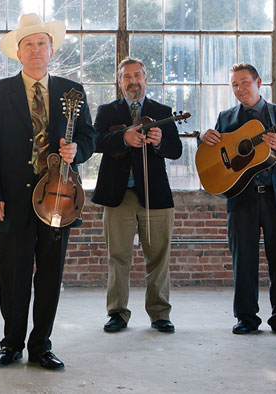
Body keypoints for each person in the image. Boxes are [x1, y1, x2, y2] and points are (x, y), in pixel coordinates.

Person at [0, 13, 95, 371]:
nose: (36, 49)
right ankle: (11, 343)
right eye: (28, 43)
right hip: (10, 199)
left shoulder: (72, 93)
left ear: (52, 49)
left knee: (50, 275)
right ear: (18, 51)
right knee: (13, 274)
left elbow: (88, 137)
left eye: (42, 42)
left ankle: (41, 344)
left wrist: (79, 152)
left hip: (58, 198)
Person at [201, 63, 276, 336]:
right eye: (234, 84)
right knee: (243, 262)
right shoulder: (225, 118)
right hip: (242, 200)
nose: (240, 89)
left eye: (245, 82)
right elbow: (217, 155)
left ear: (259, 82)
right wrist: (205, 138)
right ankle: (246, 317)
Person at [92, 57, 182, 334]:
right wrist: (123, 139)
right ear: (119, 82)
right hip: (117, 194)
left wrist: (158, 143)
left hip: (154, 194)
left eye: (137, 76)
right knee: (118, 257)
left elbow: (175, 150)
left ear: (146, 78)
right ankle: (117, 312)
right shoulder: (107, 111)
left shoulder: (162, 110)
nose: (133, 81)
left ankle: (159, 314)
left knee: (158, 257)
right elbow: (94, 142)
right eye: (126, 77)